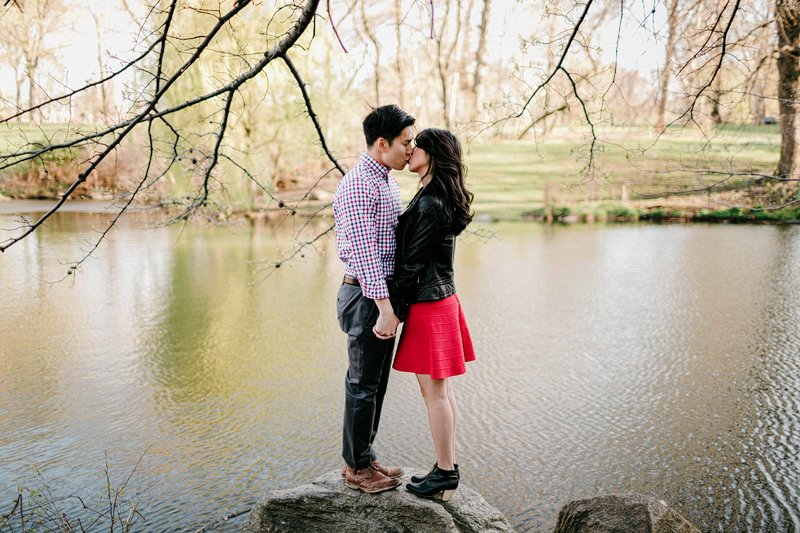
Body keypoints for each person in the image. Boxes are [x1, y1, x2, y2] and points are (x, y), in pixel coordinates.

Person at [333, 104, 415, 494]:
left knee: (376, 384)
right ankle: (356, 470)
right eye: (405, 142)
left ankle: (364, 455)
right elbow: (365, 252)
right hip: (366, 296)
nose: (410, 149)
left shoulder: (384, 180)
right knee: (362, 384)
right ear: (382, 144)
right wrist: (384, 309)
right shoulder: (359, 185)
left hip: (379, 296)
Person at [391, 128, 476, 502]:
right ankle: (447, 466)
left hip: (430, 303)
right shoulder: (432, 194)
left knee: (434, 392)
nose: (410, 150)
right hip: (439, 299)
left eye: (416, 144)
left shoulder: (430, 202)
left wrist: (392, 310)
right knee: (440, 391)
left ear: (434, 153)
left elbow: (411, 264)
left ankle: (445, 471)